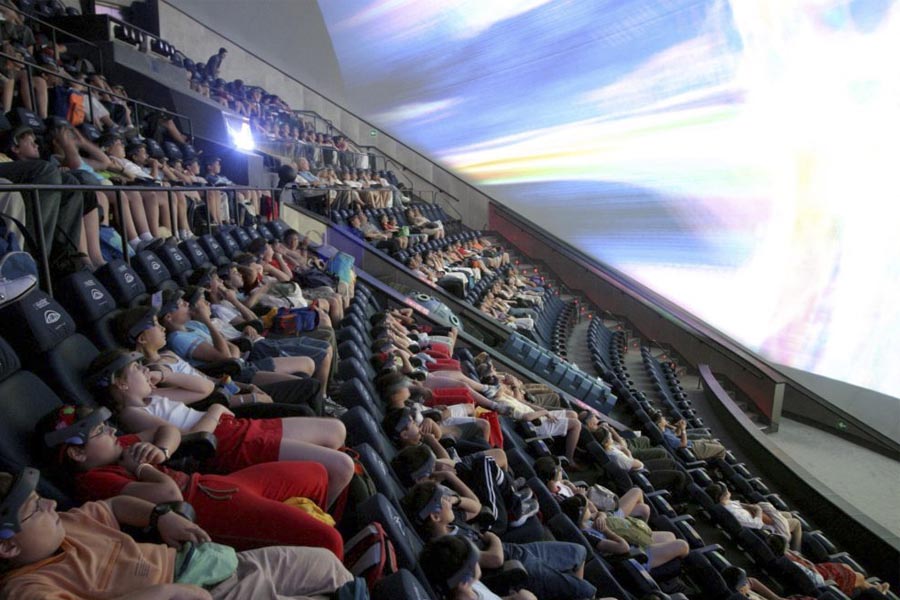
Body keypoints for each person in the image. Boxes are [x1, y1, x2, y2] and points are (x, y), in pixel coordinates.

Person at [37, 404, 344, 558]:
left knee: (319, 472)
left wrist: (161, 450)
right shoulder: (94, 480)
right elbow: (168, 494)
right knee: (329, 542)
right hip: (211, 510)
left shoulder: (121, 449)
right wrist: (143, 467)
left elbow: (168, 430)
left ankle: (308, 523)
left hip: (217, 485)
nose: (112, 432)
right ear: (78, 454)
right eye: (100, 432)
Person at [0, 467, 354, 599]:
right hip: (197, 592)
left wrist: (159, 517)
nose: (49, 503)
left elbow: (114, 507)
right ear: (8, 548)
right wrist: (165, 593)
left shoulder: (67, 523)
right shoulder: (27, 588)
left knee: (327, 564)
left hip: (209, 563)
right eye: (35, 508)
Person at [86, 349, 353, 508]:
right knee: (341, 467)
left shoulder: (153, 397)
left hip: (232, 427)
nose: (146, 370)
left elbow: (205, 388)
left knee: (336, 431)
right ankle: (319, 512)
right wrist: (214, 411)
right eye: (137, 368)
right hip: (225, 443)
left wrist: (165, 376)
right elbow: (186, 439)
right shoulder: (133, 414)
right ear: (120, 384)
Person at [404, 480, 597, 600]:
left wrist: (455, 499)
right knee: (588, 591)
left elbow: (477, 507)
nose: (447, 500)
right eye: (443, 500)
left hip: (517, 550)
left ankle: (565, 589)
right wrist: (493, 538)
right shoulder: (450, 550)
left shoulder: (453, 522)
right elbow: (495, 559)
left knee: (580, 552)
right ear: (435, 516)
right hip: (518, 565)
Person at [560, 494, 689, 570]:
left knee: (671, 536)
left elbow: (599, 512)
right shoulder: (589, 536)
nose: (590, 508)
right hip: (634, 556)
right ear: (581, 514)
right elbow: (623, 548)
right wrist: (606, 530)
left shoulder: (585, 522)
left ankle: (673, 567)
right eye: (587, 507)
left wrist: (601, 516)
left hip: (633, 542)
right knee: (683, 545)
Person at [765, 533, 890, 597]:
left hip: (816, 571)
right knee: (858, 577)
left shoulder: (782, 558)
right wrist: (811, 566)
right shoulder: (789, 561)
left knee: (847, 567)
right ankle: (877, 593)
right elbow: (813, 575)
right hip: (821, 577)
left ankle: (874, 588)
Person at [420, 535, 540, 600]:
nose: (478, 562)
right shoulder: (468, 586)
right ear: (463, 581)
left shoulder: (468, 586)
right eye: (475, 562)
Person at [706, 483, 802, 551]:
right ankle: (795, 550)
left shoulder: (727, 504)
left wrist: (749, 506)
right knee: (796, 522)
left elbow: (738, 505)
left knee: (787, 515)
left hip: (761, 520)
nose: (728, 490)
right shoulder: (735, 514)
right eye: (726, 490)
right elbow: (757, 524)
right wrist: (758, 510)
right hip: (769, 531)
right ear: (723, 496)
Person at [653, 412, 726, 460]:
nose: (665, 418)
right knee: (722, 449)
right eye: (663, 419)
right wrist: (683, 429)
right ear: (659, 424)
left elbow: (677, 434)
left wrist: (679, 426)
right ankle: (716, 471)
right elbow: (683, 444)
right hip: (692, 449)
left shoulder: (665, 430)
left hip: (692, 443)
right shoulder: (666, 435)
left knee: (716, 443)